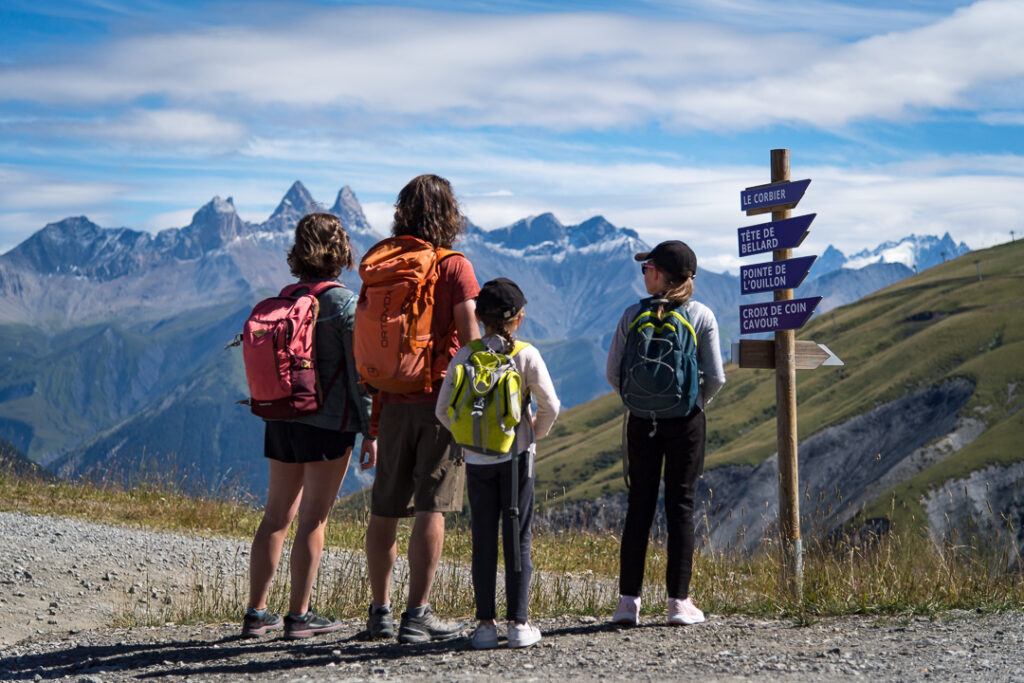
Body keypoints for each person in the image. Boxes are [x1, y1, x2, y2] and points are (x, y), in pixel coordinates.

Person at [360, 174, 480, 643]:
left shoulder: (383, 264)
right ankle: (418, 615)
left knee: (385, 507)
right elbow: (471, 340)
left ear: (402, 212)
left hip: (389, 400)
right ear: (449, 213)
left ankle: (379, 612)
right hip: (439, 405)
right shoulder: (454, 267)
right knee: (433, 505)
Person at [242, 212, 372, 639]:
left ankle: (256, 614)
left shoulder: (285, 297)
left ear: (298, 252)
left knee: (275, 516)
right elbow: (359, 376)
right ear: (340, 252)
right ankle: (299, 617)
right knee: (313, 518)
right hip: (328, 425)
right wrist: (372, 430)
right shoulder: (343, 304)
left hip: (280, 416)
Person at [435, 278, 560, 649]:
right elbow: (551, 405)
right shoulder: (525, 354)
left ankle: (485, 626)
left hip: (476, 460)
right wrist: (533, 433)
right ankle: (519, 624)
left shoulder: (465, 355)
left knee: (483, 538)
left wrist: (468, 438)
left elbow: (443, 410)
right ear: (518, 318)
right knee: (517, 536)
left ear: (480, 317)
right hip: (517, 459)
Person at [605, 240, 726, 627]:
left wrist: (642, 404)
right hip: (686, 421)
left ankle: (628, 603)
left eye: (647, 268)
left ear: (663, 274)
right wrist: (689, 404)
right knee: (681, 506)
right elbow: (716, 376)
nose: (643, 274)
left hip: (641, 422)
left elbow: (613, 374)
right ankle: (678, 603)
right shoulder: (701, 315)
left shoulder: (631, 314)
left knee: (638, 505)